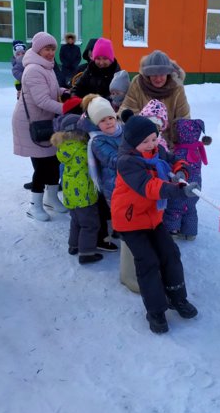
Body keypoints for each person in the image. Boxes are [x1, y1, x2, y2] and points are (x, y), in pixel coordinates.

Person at [111, 114, 199, 334]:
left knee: (170, 253)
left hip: (152, 218)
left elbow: (173, 159)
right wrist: (178, 190)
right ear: (132, 143)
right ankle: (156, 311)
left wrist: (181, 171)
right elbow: (150, 187)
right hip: (130, 221)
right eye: (145, 141)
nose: (151, 144)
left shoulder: (156, 151)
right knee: (148, 261)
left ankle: (177, 297)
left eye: (154, 138)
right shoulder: (127, 162)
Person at [12, 31, 68, 221]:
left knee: (53, 161)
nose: (51, 52)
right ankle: (34, 206)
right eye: (47, 49)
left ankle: (51, 199)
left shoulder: (47, 67)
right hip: (31, 124)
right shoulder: (34, 69)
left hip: (45, 121)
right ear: (38, 49)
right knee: (42, 166)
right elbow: (42, 100)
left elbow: (50, 90)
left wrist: (64, 92)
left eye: (53, 48)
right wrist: (66, 108)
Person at [51, 114, 103, 264]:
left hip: (70, 193)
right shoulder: (82, 149)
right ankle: (86, 253)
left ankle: (73, 245)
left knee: (76, 221)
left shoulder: (64, 148)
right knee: (90, 224)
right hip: (84, 194)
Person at [118, 50, 190, 147]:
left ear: (168, 73)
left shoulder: (177, 88)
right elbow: (128, 108)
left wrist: (177, 141)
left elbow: (183, 118)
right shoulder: (138, 83)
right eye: (154, 74)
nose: (158, 78)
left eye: (162, 74)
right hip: (142, 140)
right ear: (148, 74)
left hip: (169, 143)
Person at [79, 93, 123, 252]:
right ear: (96, 124)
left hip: (126, 178)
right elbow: (113, 160)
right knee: (117, 208)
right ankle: (120, 231)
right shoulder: (97, 140)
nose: (108, 123)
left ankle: (120, 229)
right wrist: (135, 156)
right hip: (111, 182)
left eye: (110, 118)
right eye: (102, 121)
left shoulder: (121, 130)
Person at [164, 119, 211, 241]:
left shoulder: (178, 152)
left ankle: (172, 231)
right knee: (190, 210)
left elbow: (173, 166)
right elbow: (203, 163)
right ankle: (190, 233)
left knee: (174, 208)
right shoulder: (197, 149)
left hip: (181, 187)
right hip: (196, 188)